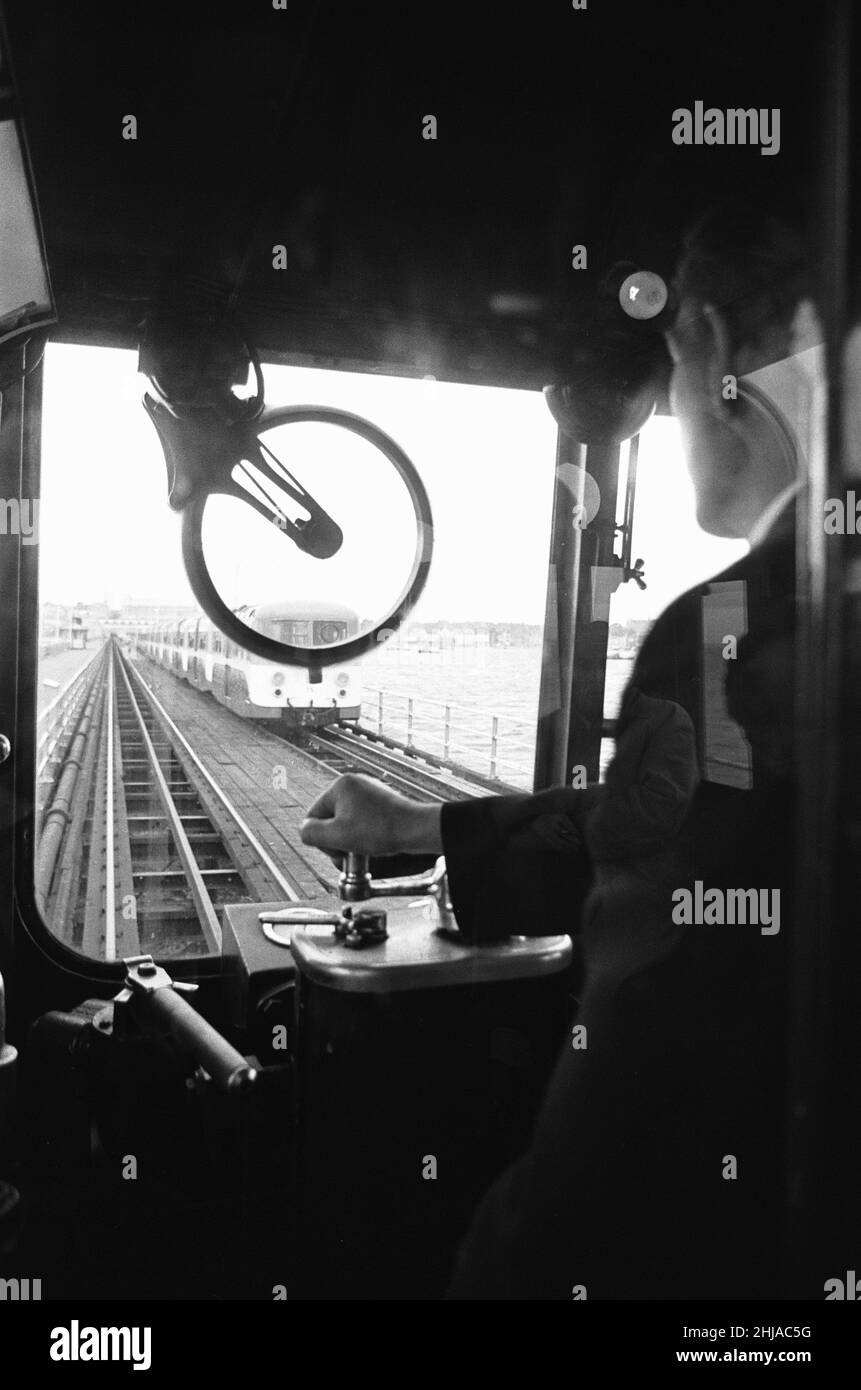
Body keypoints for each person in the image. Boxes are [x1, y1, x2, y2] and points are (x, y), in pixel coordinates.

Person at [300, 198, 823, 1298]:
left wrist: (500, 1269)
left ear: (711, 348)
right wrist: (430, 825)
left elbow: (650, 1095)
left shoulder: (738, 628)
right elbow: (676, 817)